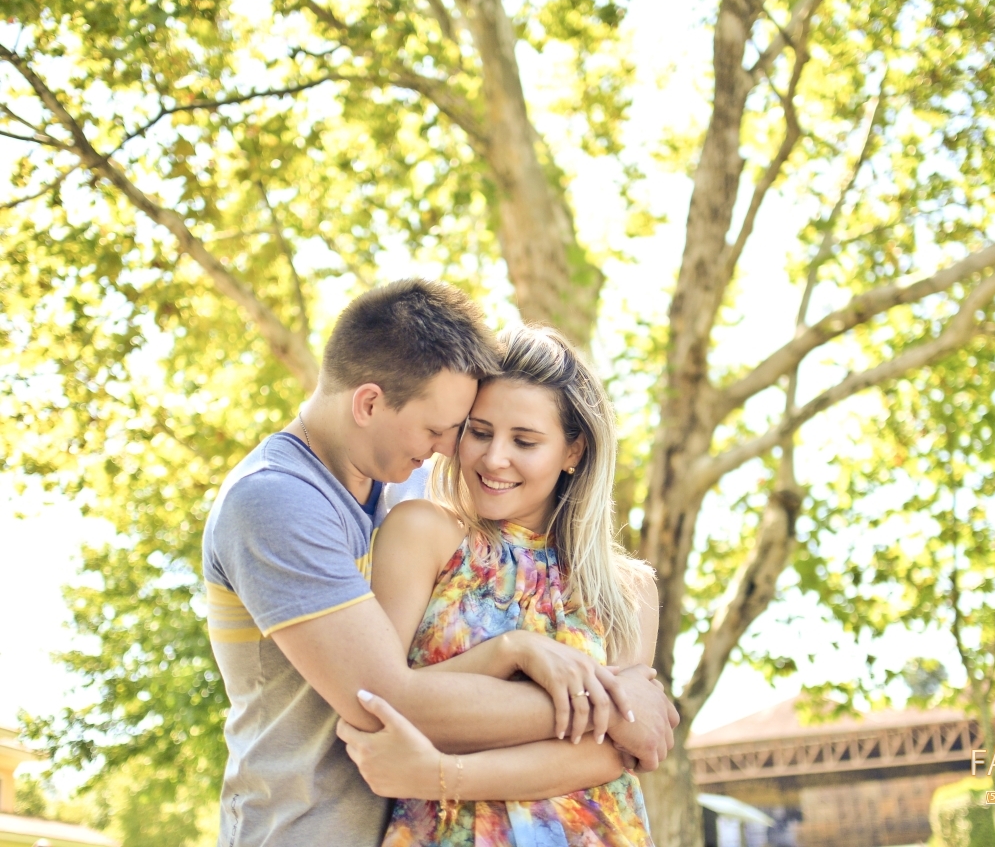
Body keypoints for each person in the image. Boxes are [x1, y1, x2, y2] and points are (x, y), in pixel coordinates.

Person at [202, 280, 677, 847]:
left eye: (460, 429)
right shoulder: (278, 500)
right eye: (450, 430)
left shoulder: (394, 491)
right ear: (369, 403)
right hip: (305, 830)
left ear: (573, 450)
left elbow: (616, 760)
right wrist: (610, 707)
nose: (455, 449)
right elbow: (384, 698)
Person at [337, 324, 660, 846]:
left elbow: (616, 749)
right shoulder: (422, 532)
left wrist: (438, 775)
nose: (494, 459)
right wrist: (512, 651)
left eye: (525, 441)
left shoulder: (627, 591)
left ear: (573, 451)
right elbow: (383, 702)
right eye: (480, 432)